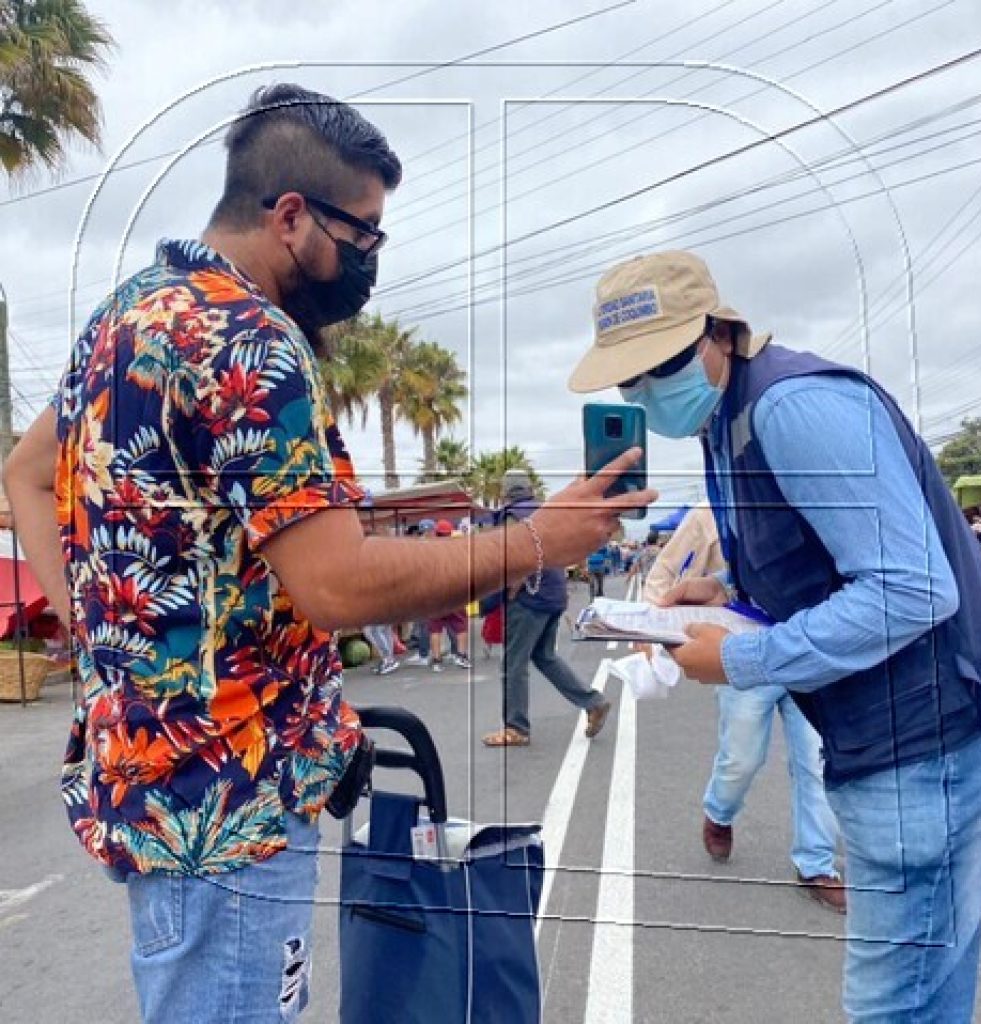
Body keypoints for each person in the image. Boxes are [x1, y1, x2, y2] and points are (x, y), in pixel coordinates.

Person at [1, 84, 655, 1024]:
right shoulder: (251, 340)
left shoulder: (127, 315)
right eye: (363, 235)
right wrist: (536, 540)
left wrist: (107, 637)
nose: (370, 260)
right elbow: (338, 584)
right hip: (232, 802)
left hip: (156, 778)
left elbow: (26, 474)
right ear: (290, 216)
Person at [569, 249, 981, 1023]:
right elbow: (827, 567)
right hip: (907, 736)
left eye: (662, 364)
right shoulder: (726, 425)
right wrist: (728, 598)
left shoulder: (791, 408)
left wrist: (742, 655)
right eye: (629, 378)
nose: (646, 389)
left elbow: (913, 589)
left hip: (934, 740)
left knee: (894, 1007)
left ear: (720, 333)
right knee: (928, 991)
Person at [644, 506, 844, 912]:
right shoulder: (711, 510)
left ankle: (816, 865)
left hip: (810, 650)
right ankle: (719, 812)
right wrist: (648, 627)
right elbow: (663, 574)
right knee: (742, 758)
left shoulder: (817, 497)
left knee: (816, 762)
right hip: (746, 650)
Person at [481, 471, 612, 747]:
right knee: (544, 656)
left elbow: (513, 556)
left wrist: (511, 585)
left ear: (505, 492)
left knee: (514, 663)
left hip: (528, 596)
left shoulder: (513, 516)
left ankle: (516, 728)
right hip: (553, 593)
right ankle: (593, 702)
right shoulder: (544, 513)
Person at [426, 519, 472, 672]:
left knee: (435, 628)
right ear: (450, 533)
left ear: (436, 532)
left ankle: (436, 660)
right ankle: (462, 656)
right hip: (454, 592)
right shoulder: (457, 550)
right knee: (461, 626)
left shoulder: (429, 550)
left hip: (435, 593)